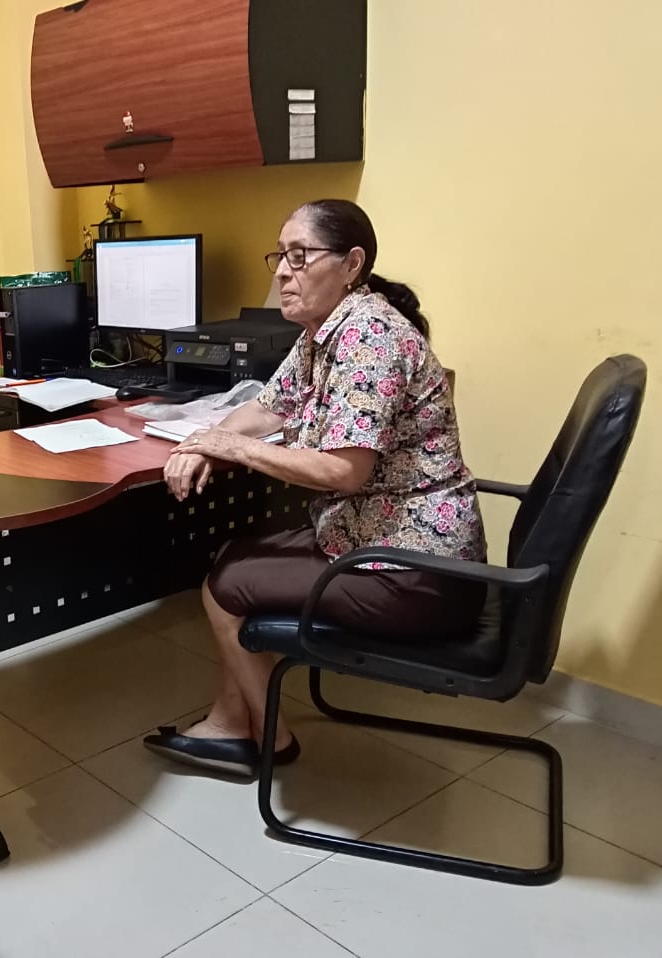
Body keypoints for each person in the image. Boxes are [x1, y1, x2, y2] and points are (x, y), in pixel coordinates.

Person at [143, 199, 487, 778]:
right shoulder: (324, 332)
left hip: (416, 572)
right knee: (234, 558)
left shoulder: (370, 338)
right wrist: (204, 442)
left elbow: (342, 471)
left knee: (224, 588)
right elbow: (265, 408)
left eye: (300, 256)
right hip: (374, 541)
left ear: (352, 264)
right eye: (280, 255)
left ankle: (269, 738)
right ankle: (231, 722)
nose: (282, 271)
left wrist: (231, 448)